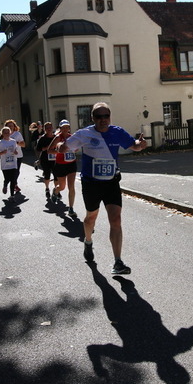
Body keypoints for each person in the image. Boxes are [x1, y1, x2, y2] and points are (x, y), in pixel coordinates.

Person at [56, 102, 147, 274]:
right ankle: (88, 241)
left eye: (106, 116)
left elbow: (133, 145)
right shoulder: (84, 134)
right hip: (91, 183)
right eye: (99, 116)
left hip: (111, 182)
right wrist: (61, 146)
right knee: (91, 217)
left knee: (116, 219)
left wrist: (140, 144)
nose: (103, 119)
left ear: (110, 117)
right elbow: (65, 147)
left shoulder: (117, 132)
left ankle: (118, 262)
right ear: (93, 118)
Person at [48, 119, 78, 217]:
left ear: (69, 128)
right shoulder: (57, 138)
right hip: (60, 165)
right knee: (62, 187)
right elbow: (49, 150)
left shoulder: (72, 137)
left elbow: (76, 149)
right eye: (63, 127)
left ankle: (71, 208)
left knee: (71, 187)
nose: (65, 129)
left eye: (67, 127)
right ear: (60, 128)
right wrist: (59, 151)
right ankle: (55, 191)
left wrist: (75, 149)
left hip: (71, 164)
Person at [0, 127, 19, 201]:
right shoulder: (0, 143)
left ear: (10, 133)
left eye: (8, 132)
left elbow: (16, 151)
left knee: (13, 179)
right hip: (5, 164)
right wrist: (2, 152)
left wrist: (15, 152)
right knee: (7, 178)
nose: (7, 134)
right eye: (5, 133)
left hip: (13, 163)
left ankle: (12, 195)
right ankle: (5, 185)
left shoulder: (13, 141)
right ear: (2, 134)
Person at [36, 122, 58, 201]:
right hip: (45, 159)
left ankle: (56, 190)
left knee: (56, 175)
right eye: (47, 128)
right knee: (47, 175)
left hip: (55, 159)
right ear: (44, 129)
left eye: (50, 127)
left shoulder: (56, 137)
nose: (49, 129)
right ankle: (47, 188)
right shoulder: (42, 138)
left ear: (52, 128)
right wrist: (46, 148)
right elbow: (38, 149)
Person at [4, 119, 25, 192]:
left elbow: (23, 144)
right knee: (11, 172)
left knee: (17, 171)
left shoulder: (17, 134)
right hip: (8, 156)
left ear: (14, 126)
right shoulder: (3, 135)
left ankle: (14, 184)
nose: (10, 127)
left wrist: (16, 142)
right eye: (8, 126)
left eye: (11, 126)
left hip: (18, 155)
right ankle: (13, 184)